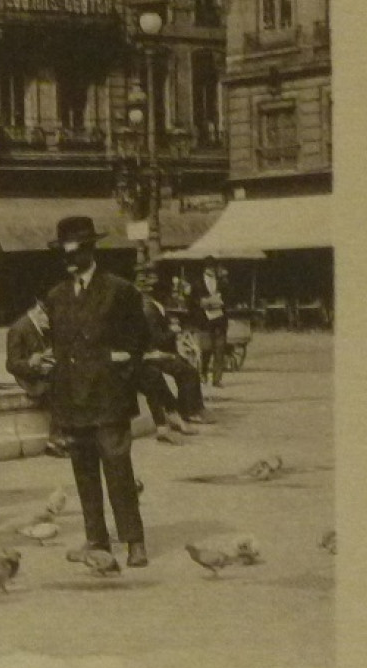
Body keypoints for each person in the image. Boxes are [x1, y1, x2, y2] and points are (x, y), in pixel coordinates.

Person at [41, 215, 153, 569]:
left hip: (108, 397)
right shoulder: (56, 295)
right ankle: (96, 538)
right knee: (84, 471)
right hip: (73, 398)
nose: (70, 260)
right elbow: (58, 345)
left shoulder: (119, 290)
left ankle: (134, 541)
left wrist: (121, 363)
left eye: (76, 252)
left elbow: (142, 339)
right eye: (64, 254)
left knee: (118, 470)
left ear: (91, 250)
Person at [134, 272, 210, 442]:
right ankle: (182, 414)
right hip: (149, 355)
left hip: (147, 356)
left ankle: (175, 418)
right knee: (179, 371)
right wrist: (172, 332)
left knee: (159, 375)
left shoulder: (153, 306)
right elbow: (155, 339)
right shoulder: (148, 309)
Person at [6, 299, 64, 456]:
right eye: (49, 320)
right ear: (38, 312)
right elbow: (11, 364)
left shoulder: (42, 326)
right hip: (29, 378)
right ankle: (55, 440)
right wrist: (32, 364)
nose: (51, 324)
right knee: (59, 389)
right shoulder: (18, 329)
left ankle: (62, 437)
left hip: (46, 372)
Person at [195, 258, 231, 387]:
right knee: (207, 349)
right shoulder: (197, 282)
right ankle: (203, 372)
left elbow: (229, 298)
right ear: (205, 269)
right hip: (205, 320)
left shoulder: (222, 282)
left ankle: (217, 379)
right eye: (210, 267)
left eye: (214, 267)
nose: (212, 270)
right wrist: (201, 303)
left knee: (220, 349)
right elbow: (192, 302)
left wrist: (221, 300)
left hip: (220, 319)